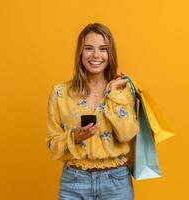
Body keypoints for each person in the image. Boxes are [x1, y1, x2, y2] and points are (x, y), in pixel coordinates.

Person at [46, 23, 139, 200]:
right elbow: (52, 145)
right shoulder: (60, 93)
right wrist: (74, 137)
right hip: (74, 181)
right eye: (89, 48)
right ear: (80, 53)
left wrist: (113, 95)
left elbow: (127, 135)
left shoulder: (122, 90)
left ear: (110, 54)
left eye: (103, 49)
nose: (96, 55)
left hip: (116, 182)